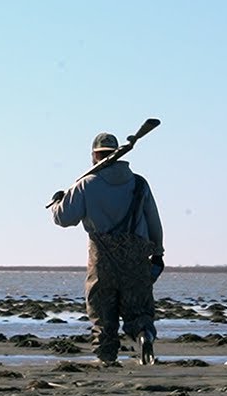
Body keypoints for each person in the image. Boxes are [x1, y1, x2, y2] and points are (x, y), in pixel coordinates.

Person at [50, 132, 164, 364]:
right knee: (139, 310)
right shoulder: (139, 183)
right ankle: (143, 336)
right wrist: (158, 253)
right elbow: (153, 220)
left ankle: (107, 361)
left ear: (94, 155)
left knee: (103, 315)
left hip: (102, 260)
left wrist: (57, 202)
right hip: (136, 258)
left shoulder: (86, 185)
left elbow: (64, 218)